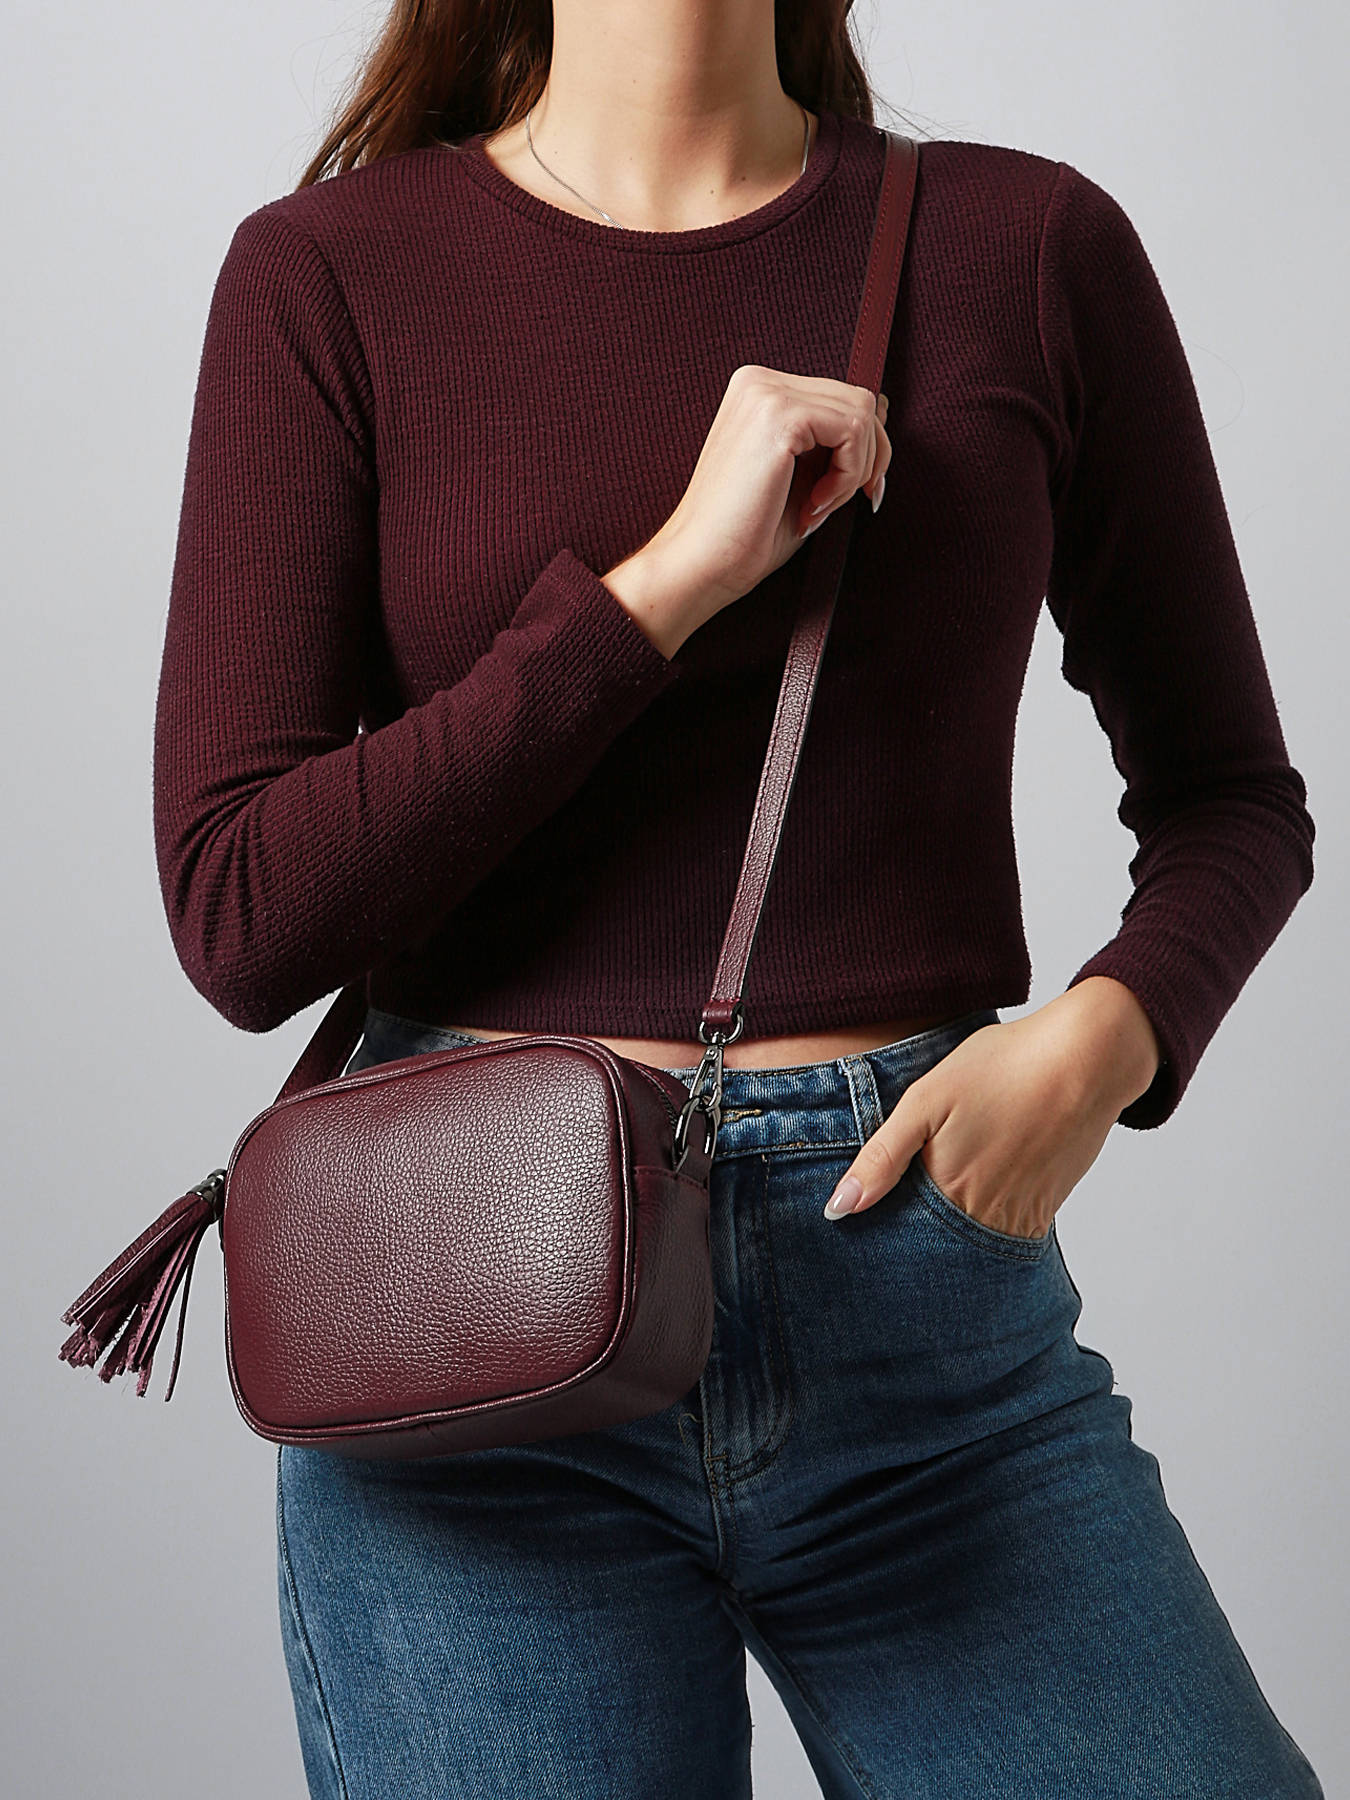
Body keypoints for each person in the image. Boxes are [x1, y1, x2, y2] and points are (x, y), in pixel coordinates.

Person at [152, 2, 1324, 1795]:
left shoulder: (1023, 248)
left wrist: (1106, 1039)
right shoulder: (328, 277)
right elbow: (240, 912)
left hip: (922, 1299)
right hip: (475, 1337)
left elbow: (1233, 795)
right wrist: (660, 592)